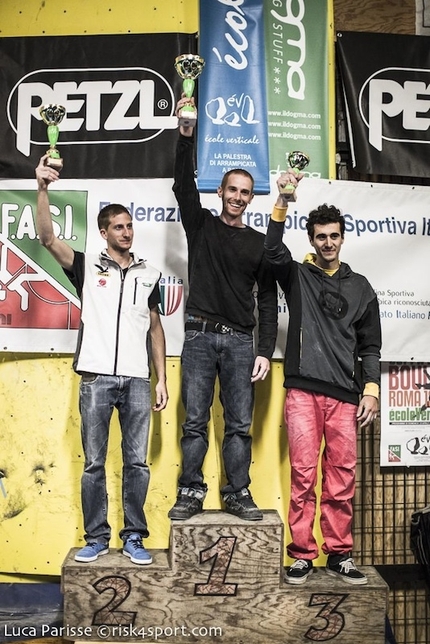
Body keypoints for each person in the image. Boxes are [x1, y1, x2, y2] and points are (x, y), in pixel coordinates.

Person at [35, 155, 168, 565]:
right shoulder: (86, 266)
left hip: (138, 381)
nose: (126, 232)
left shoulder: (148, 273)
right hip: (95, 378)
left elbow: (155, 329)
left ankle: (133, 537)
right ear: (102, 232)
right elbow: (45, 238)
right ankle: (95, 537)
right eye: (118, 227)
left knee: (137, 465)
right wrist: (42, 188)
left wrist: (161, 378)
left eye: (129, 226)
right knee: (94, 463)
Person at [264, 170, 381, 585]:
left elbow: (370, 346)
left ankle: (339, 554)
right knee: (303, 476)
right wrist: (282, 199)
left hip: (346, 397)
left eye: (333, 236)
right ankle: (301, 554)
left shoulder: (362, 288)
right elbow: (271, 247)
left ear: (343, 237)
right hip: (302, 392)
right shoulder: (298, 276)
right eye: (320, 237)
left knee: (341, 477)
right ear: (311, 239)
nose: (327, 243)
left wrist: (371, 390)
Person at [168, 96, 278, 521]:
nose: (237, 197)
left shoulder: (259, 243)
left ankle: (237, 493)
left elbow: (267, 301)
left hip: (239, 343)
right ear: (220, 192)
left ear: (251, 199)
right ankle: (190, 492)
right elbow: (181, 185)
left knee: (238, 426)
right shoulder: (201, 224)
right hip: (197, 335)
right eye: (231, 189)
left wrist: (264, 350)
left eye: (245, 192)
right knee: (194, 421)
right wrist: (185, 135)